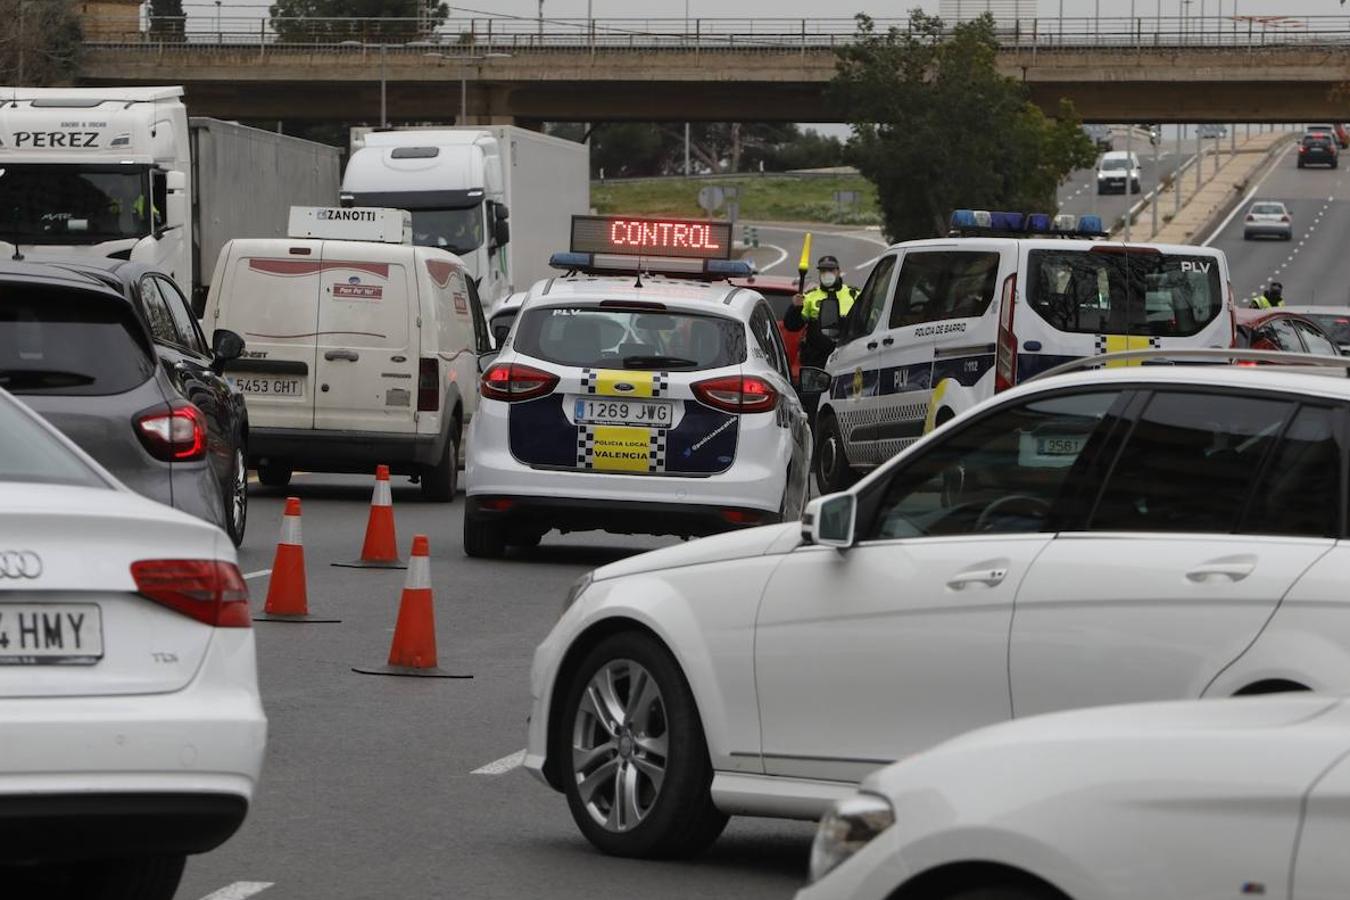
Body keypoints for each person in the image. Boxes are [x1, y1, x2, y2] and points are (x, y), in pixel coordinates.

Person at [784, 255, 857, 371]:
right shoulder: (809, 297)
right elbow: (792, 326)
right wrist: (795, 307)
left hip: (847, 359)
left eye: (831, 270)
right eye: (823, 271)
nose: (827, 274)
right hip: (816, 362)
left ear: (838, 271)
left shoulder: (854, 295)